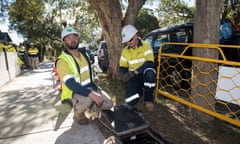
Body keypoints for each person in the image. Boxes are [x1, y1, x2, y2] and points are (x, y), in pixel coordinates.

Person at [56, 26, 113, 125]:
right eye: (68, 38)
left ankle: (93, 106)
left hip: (90, 87)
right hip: (73, 92)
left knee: (110, 104)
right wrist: (92, 94)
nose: (72, 40)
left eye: (74, 37)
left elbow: (89, 70)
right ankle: (78, 112)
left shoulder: (84, 53)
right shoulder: (62, 60)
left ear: (78, 39)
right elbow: (71, 84)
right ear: (64, 42)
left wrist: (95, 78)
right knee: (88, 99)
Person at [119, 24, 156, 112]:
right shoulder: (125, 51)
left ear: (135, 36)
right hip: (134, 77)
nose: (128, 43)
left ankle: (148, 100)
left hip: (145, 74)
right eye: (126, 41)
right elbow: (123, 66)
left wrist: (136, 71)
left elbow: (150, 63)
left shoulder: (146, 45)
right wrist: (123, 74)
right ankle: (138, 92)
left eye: (130, 40)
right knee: (129, 101)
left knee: (150, 73)